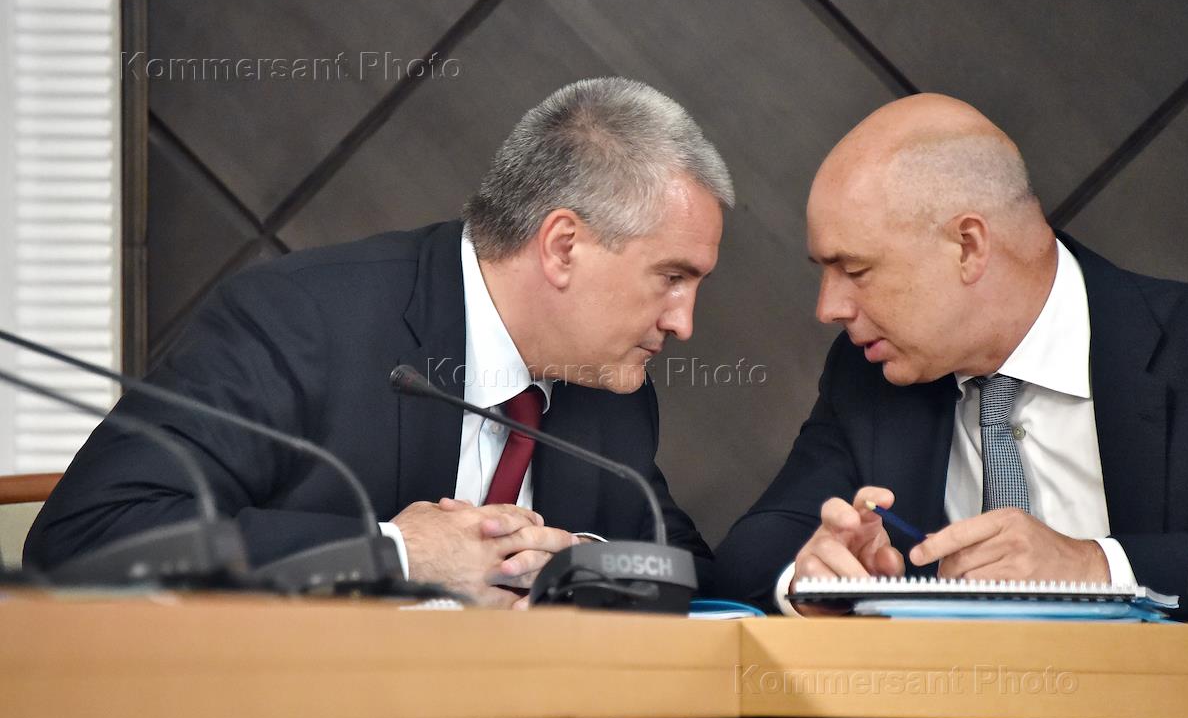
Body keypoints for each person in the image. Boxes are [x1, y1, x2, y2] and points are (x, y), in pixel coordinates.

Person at [26, 77, 735, 607]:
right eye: (671, 277)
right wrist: (394, 554)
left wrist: (575, 566)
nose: (683, 323)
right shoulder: (301, 321)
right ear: (563, 246)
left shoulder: (608, 385)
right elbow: (88, 538)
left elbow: (696, 576)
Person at [715, 93, 1188, 616]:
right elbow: (752, 555)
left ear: (968, 246)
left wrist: (1099, 567)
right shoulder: (866, 373)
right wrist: (815, 581)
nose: (828, 308)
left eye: (855, 270)